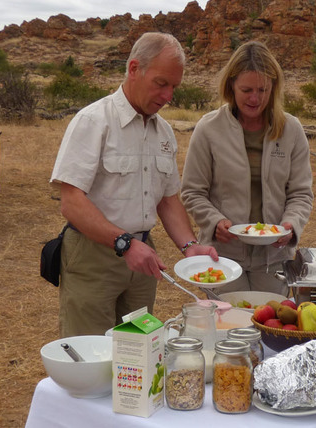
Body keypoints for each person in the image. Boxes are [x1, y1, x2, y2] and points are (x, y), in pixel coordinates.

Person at [50, 32, 218, 337]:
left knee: (137, 353)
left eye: (174, 87)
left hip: (142, 259)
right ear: (134, 69)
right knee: (92, 355)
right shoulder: (93, 121)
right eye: (161, 83)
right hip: (93, 256)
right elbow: (71, 201)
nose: (168, 96)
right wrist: (123, 243)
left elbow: (168, 200)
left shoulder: (164, 132)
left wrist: (190, 247)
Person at [180, 41, 313, 296]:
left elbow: (301, 193)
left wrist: (291, 224)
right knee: (228, 327)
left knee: (270, 326)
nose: (255, 98)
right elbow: (193, 191)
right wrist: (215, 221)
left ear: (273, 87)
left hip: (274, 257)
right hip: (222, 256)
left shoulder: (291, 130)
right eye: (246, 89)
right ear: (231, 86)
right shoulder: (209, 129)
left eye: (262, 89)